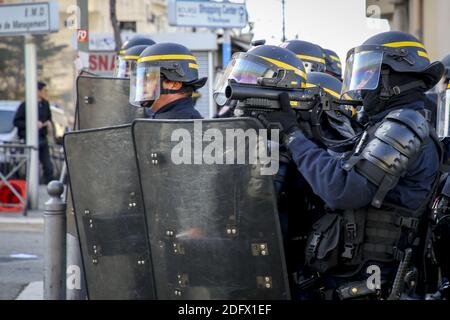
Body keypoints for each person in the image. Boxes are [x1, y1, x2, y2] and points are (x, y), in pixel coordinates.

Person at [260, 31, 445, 299]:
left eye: (369, 73)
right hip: (353, 277)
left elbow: (345, 190)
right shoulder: (383, 125)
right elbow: (339, 166)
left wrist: (293, 136)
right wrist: (309, 124)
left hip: (374, 283)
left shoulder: (405, 126)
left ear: (391, 79)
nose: (361, 85)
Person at [130, 43, 206, 119]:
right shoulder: (166, 117)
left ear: (175, 84)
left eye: (149, 79)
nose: (140, 83)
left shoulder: (181, 121)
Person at [14, 81, 55, 184]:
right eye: (44, 90)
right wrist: (32, 124)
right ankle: (28, 184)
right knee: (30, 164)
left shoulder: (45, 104)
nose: (46, 93)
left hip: (42, 138)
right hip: (29, 139)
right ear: (38, 91)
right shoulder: (26, 105)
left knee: (48, 165)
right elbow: (17, 121)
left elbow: (49, 118)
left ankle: (49, 187)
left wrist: (46, 123)